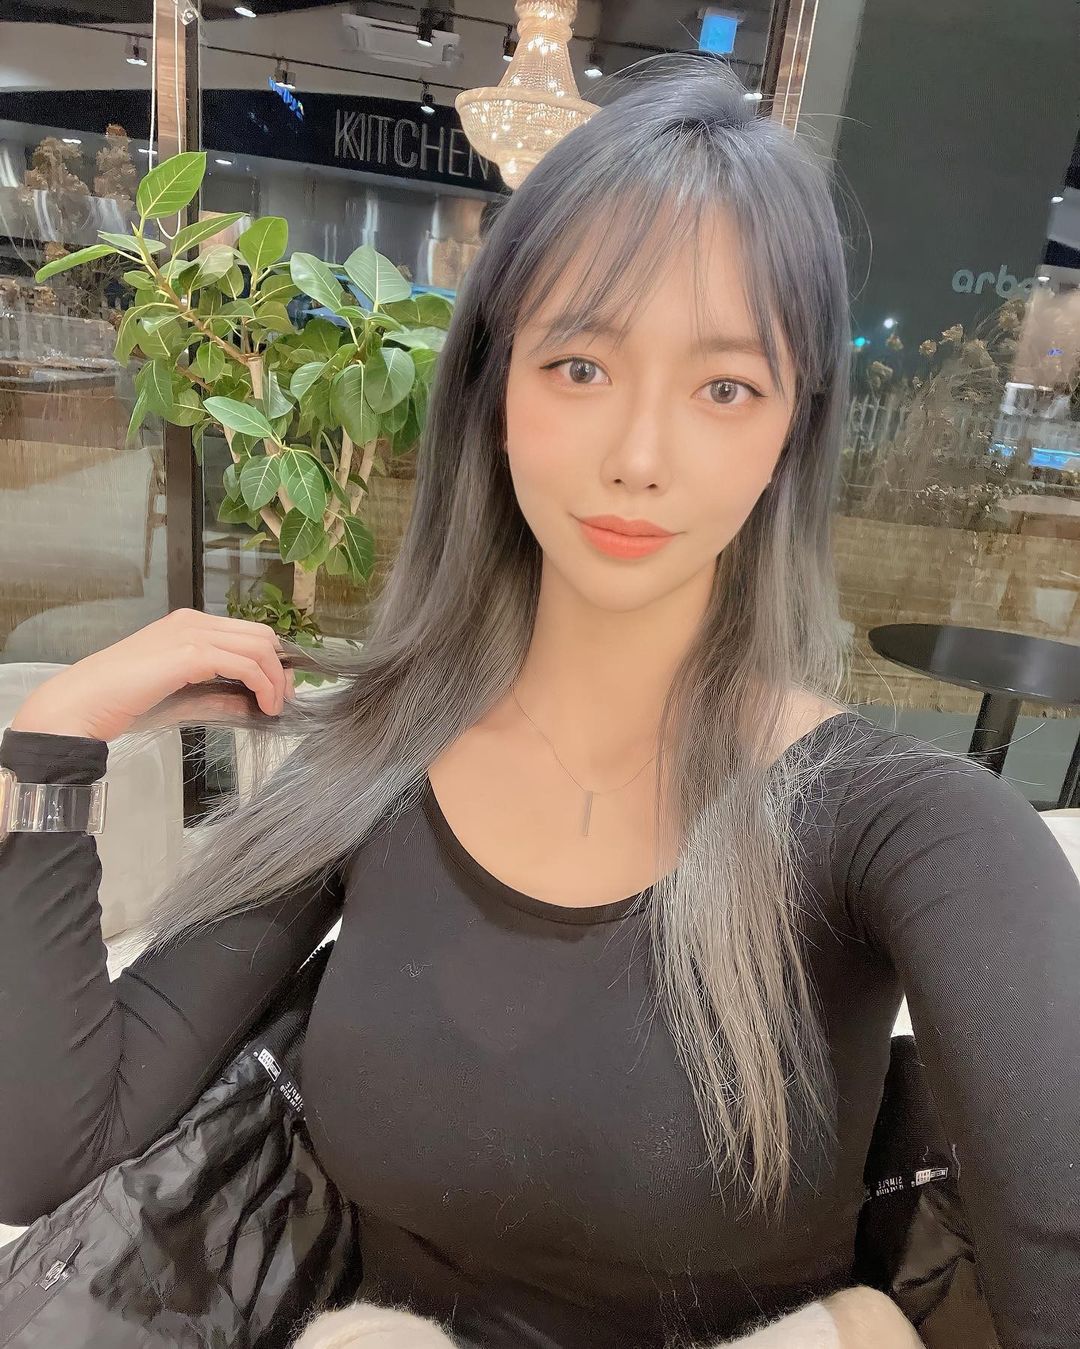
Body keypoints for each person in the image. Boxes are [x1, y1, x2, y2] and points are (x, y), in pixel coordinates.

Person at [2, 53, 1079, 1349]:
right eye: (580, 366)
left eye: (724, 387)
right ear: (496, 393)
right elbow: (46, 1149)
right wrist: (50, 750)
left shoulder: (912, 831)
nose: (640, 455)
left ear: (790, 432)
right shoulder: (376, 766)